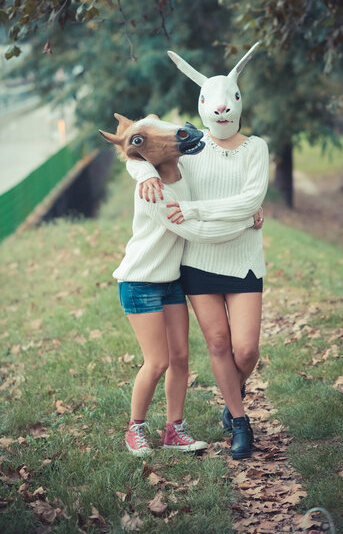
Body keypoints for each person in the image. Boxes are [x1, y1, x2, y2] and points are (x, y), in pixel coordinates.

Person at [126, 43, 269, 459]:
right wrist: (140, 174)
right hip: (198, 263)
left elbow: (248, 201)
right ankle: (240, 421)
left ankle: (231, 395)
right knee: (220, 344)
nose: (222, 113)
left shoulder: (256, 148)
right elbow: (138, 143)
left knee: (246, 349)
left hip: (243, 260)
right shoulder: (190, 146)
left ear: (239, 103)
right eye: (212, 104)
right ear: (202, 104)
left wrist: (204, 211)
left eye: (228, 104)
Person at [99, 113, 255, 456]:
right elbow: (194, 229)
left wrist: (249, 210)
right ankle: (135, 429)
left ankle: (174, 430)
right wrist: (245, 223)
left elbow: (155, 137)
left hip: (170, 281)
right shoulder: (149, 190)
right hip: (140, 282)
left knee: (181, 358)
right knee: (156, 361)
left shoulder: (180, 172)